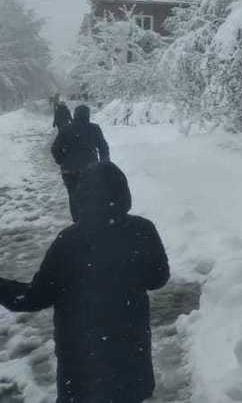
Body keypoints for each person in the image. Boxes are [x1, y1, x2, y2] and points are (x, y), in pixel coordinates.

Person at [0, 162, 170, 402]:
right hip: (130, 355)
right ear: (123, 193)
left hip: (83, 362)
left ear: (82, 198)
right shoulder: (142, 229)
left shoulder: (69, 241)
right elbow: (158, 278)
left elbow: (34, 297)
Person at [51, 105, 109, 220]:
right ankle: (91, 220)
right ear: (88, 115)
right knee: (91, 194)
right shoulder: (94, 128)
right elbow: (103, 147)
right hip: (91, 169)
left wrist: (62, 161)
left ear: (75, 114)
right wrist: (104, 165)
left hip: (69, 171)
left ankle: (78, 222)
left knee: (73, 196)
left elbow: (55, 148)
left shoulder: (65, 129)